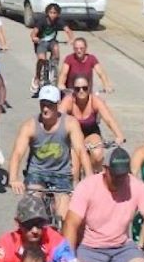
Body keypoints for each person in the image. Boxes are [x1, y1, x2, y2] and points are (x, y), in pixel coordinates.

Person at [10, 85, 88, 222]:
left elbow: (81, 150)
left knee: (64, 218)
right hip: (37, 173)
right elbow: (17, 153)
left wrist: (90, 178)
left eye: (50, 105)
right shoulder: (30, 126)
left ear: (57, 104)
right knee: (30, 214)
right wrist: (13, 179)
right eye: (43, 104)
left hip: (62, 174)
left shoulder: (70, 123)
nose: (45, 109)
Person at [61, 75, 124, 174]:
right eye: (77, 89)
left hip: (91, 134)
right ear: (73, 90)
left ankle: (92, 175)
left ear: (89, 88)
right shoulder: (69, 101)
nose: (81, 91)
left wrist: (119, 135)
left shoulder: (95, 101)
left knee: (98, 154)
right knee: (74, 171)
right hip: (73, 137)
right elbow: (58, 119)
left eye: (84, 88)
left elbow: (109, 119)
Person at [29, 2, 73, 97]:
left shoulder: (59, 21)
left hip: (52, 42)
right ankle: (37, 78)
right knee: (42, 59)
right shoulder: (42, 21)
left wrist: (71, 40)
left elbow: (68, 30)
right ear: (47, 13)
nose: (53, 15)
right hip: (41, 42)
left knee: (56, 50)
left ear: (58, 14)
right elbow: (33, 33)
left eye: (55, 13)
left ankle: (53, 71)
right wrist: (34, 38)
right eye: (51, 12)